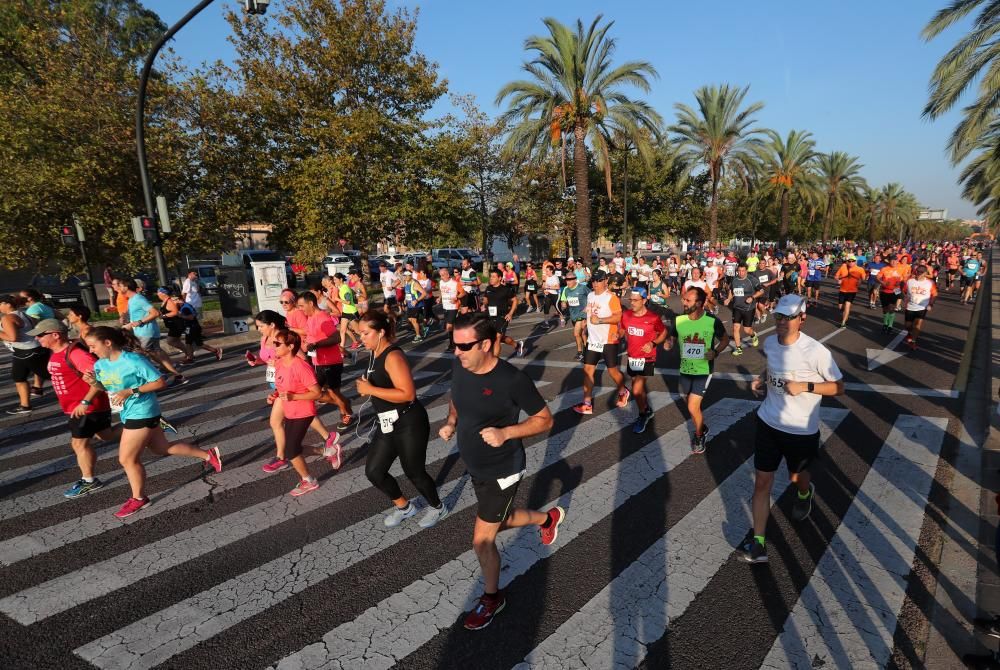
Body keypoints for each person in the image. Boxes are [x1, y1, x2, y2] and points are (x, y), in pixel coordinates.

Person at [439, 313, 560, 630]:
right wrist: (451, 422)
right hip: (475, 466)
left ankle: (492, 598)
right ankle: (547, 518)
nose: (457, 352)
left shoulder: (511, 380)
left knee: (481, 541)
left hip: (503, 470)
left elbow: (545, 420)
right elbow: (456, 395)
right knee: (499, 521)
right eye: (455, 344)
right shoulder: (460, 365)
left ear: (489, 344)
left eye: (464, 346)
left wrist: (506, 433)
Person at [742, 294, 845, 564]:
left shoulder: (816, 352)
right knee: (762, 481)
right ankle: (759, 542)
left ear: (802, 318)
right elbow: (771, 367)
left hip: (800, 429)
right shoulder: (770, 343)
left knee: (796, 477)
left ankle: (803, 492)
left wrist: (806, 387)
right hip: (768, 421)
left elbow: (838, 386)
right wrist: (761, 379)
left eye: (789, 317)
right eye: (779, 317)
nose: (782, 322)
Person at [83, 326, 221, 518]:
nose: (90, 351)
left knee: (127, 459)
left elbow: (160, 382)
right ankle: (208, 455)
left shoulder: (133, 360)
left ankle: (139, 498)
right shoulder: (100, 365)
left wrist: (131, 391)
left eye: (92, 346)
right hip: (127, 412)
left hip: (142, 412)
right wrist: (92, 383)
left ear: (107, 342)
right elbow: (106, 387)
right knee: (161, 448)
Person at [355, 311, 448, 528]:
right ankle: (405, 507)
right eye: (359, 333)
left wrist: (371, 389)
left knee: (414, 472)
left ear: (380, 332)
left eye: (365, 333)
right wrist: (369, 386)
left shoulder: (393, 356)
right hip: (387, 422)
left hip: (409, 422)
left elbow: (407, 394)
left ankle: (437, 507)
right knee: (374, 472)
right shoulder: (374, 353)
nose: (361, 338)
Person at [29, 318, 120, 498]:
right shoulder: (57, 352)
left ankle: (89, 481)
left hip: (87, 407)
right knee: (106, 435)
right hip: (76, 407)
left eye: (40, 335)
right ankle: (146, 425)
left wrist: (85, 402)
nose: (37, 339)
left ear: (55, 335)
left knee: (79, 443)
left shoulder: (77, 354)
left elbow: (99, 379)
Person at [668, 287, 729, 453]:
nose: (683, 302)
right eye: (684, 299)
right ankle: (702, 426)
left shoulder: (711, 320)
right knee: (691, 405)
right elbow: (672, 337)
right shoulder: (679, 320)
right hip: (685, 369)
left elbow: (725, 339)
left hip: (703, 370)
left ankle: (699, 434)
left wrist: (715, 352)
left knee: (692, 407)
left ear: (700, 303)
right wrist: (669, 343)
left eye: (688, 300)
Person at [266, 329, 323, 496]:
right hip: (290, 411)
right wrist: (274, 395)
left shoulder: (301, 366)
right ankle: (326, 451)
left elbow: (317, 393)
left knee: (290, 450)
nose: (273, 346)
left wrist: (293, 396)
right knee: (294, 447)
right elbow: (282, 388)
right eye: (273, 343)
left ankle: (309, 481)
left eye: (277, 343)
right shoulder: (280, 364)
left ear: (290, 346)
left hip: (304, 411)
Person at [298, 291, 353, 437]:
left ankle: (346, 411)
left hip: (331, 362)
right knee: (321, 392)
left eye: (302, 306)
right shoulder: (310, 318)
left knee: (330, 392)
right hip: (318, 361)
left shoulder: (322, 317)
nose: (300, 309)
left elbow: (335, 338)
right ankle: (344, 404)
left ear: (311, 303)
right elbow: (310, 335)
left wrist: (316, 344)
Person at [573, 270, 628, 415]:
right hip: (593, 341)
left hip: (608, 340)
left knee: (612, 371)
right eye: (593, 280)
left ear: (605, 281)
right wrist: (586, 322)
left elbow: (618, 317)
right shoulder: (590, 295)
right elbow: (590, 310)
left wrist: (601, 320)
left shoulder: (611, 298)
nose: (595, 283)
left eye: (598, 280)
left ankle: (623, 391)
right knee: (588, 371)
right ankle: (587, 404)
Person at [121, 279, 186, 384]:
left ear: (126, 287)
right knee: (155, 354)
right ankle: (177, 376)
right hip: (145, 332)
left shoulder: (138, 299)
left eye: (120, 285)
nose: (118, 288)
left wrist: (140, 322)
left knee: (140, 357)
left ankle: (160, 377)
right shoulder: (132, 299)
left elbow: (155, 313)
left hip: (145, 333)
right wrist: (126, 323)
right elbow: (135, 318)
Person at [621, 288, 667, 433]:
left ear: (644, 300)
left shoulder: (653, 318)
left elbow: (663, 332)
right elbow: (622, 328)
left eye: (635, 300)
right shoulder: (627, 315)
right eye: (630, 300)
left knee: (636, 389)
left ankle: (643, 415)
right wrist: (618, 334)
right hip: (632, 357)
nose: (632, 303)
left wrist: (653, 343)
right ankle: (646, 409)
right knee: (638, 389)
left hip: (647, 357)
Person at [0, 294, 50, 413]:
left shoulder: (7, 318)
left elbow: (13, 337)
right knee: (19, 377)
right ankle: (25, 406)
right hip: (30, 350)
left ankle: (83, 392)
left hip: (27, 352)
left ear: (7, 304)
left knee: (52, 375)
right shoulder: (23, 313)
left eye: (0, 304)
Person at [481, 268, 523, 357]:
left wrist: (510, 313)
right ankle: (517, 345)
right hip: (490, 317)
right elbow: (485, 300)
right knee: (498, 338)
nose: (491, 278)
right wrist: (484, 305)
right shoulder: (488, 288)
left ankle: (495, 362)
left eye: (493, 277)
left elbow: (515, 301)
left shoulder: (505, 289)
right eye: (490, 276)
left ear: (499, 278)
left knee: (497, 338)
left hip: (502, 317)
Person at [725, 262, 763, 356]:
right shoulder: (734, 280)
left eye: (743, 271)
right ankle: (739, 349)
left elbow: (761, 291)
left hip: (748, 308)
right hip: (737, 307)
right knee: (735, 328)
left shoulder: (752, 280)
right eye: (739, 271)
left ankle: (753, 335)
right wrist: (728, 299)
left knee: (746, 330)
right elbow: (731, 290)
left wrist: (752, 297)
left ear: (746, 271)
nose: (741, 273)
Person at [903, 265, 937, 351]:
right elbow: (904, 291)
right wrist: (905, 297)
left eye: (921, 272)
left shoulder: (930, 283)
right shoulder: (910, 281)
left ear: (925, 273)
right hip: (910, 306)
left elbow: (934, 294)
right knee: (908, 325)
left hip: (922, 307)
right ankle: (910, 333)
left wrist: (931, 304)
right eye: (917, 271)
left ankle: (913, 342)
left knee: (917, 325)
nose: (918, 273)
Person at [559, 272, 591, 362]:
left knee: (576, 333)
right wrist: (563, 304)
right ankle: (588, 350)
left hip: (583, 315)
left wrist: (587, 307)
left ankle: (580, 352)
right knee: (582, 335)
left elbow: (592, 296)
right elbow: (563, 300)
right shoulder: (566, 290)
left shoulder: (582, 288)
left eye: (569, 280)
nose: (568, 282)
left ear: (574, 279)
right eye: (566, 280)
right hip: (573, 315)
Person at [833, 255, 866, 328]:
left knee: (847, 306)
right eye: (849, 261)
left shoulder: (860, 269)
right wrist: (838, 280)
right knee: (840, 307)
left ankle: (843, 322)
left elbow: (863, 278)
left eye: (853, 261)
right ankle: (845, 314)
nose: (851, 262)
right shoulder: (843, 267)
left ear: (855, 262)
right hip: (842, 290)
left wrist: (860, 281)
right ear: (847, 262)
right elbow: (836, 276)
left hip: (852, 291)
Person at [437, 266, 465, 352]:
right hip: (445, 306)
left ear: (448, 274)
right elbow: (441, 291)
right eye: (440, 275)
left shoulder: (455, 283)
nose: (441, 277)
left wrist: (456, 297)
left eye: (443, 275)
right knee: (451, 326)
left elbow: (463, 293)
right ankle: (458, 340)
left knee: (449, 326)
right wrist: (439, 298)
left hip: (453, 306)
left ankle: (452, 345)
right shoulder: (441, 282)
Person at [875, 255, 905, 333]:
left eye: (895, 260)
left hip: (895, 291)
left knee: (892, 308)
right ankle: (885, 324)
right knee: (885, 309)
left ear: (898, 261)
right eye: (892, 260)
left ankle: (890, 326)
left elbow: (903, 281)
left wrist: (901, 289)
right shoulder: (884, 269)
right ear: (889, 261)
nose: (894, 262)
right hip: (884, 291)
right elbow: (877, 277)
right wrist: (883, 283)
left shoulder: (901, 269)